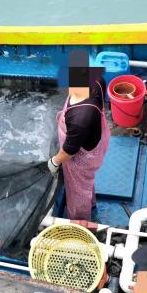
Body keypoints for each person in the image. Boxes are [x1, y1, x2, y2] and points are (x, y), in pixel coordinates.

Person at [48, 56, 110, 220]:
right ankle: (92, 204)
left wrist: (55, 161)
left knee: (78, 192)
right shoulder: (97, 80)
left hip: (82, 157)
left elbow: (69, 151)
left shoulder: (80, 118)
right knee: (86, 183)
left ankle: (80, 220)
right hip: (96, 139)